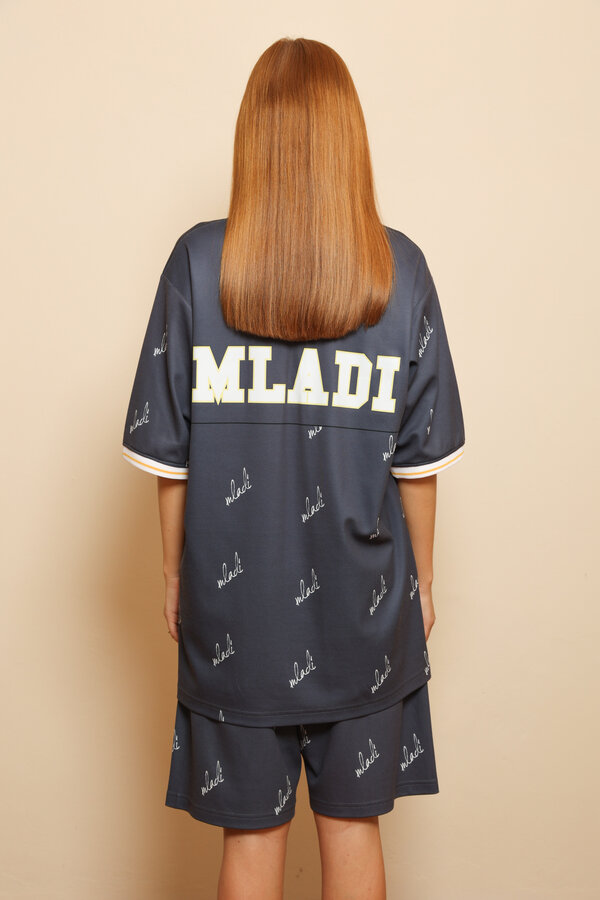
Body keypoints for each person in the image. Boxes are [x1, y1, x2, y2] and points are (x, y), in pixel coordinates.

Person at [121, 36, 465, 900]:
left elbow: (171, 458)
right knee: (353, 834)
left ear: (253, 139)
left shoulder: (197, 264)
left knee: (250, 845)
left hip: (235, 614)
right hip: (366, 614)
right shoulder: (400, 269)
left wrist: (175, 578)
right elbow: (419, 464)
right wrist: (422, 585)